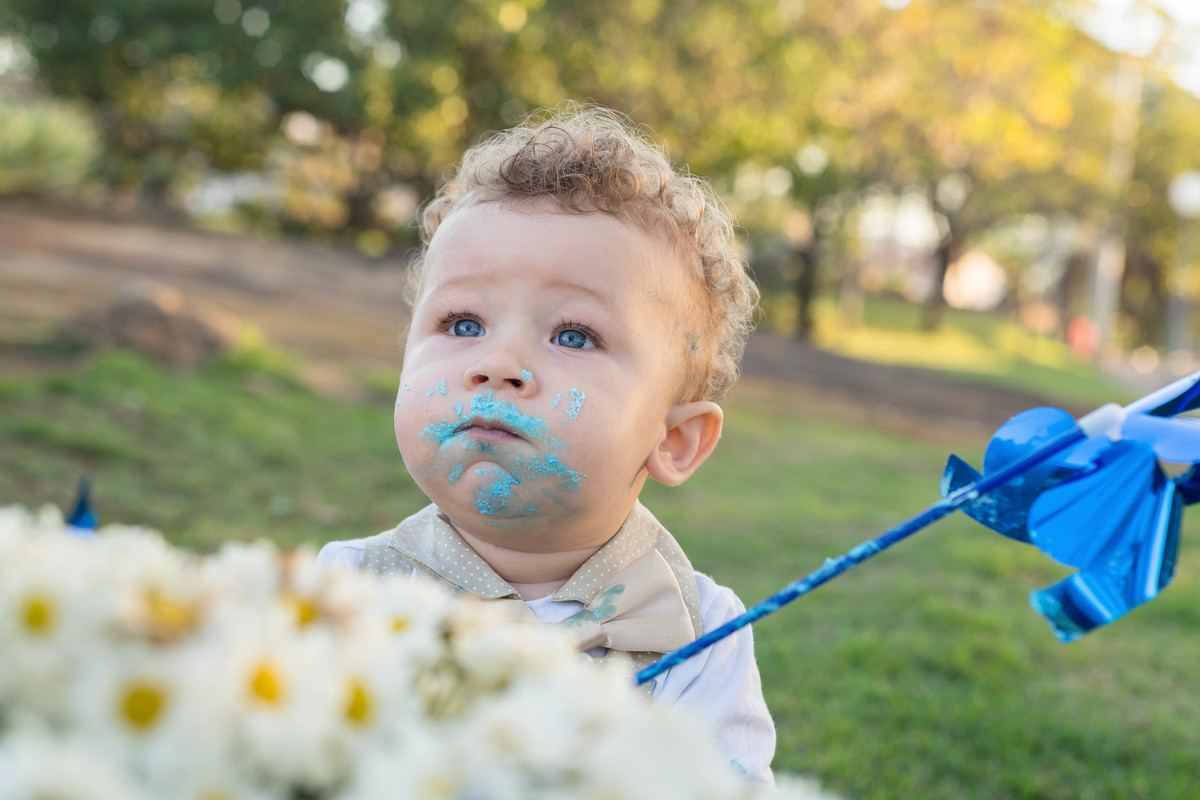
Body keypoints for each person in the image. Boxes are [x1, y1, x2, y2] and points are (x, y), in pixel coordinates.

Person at [317, 105, 775, 785]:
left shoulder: (698, 631)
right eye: (463, 322)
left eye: (573, 336)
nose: (497, 362)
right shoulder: (346, 588)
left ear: (674, 440)